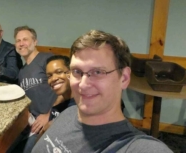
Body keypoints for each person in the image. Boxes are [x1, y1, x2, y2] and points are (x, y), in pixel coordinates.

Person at [32, 30, 173, 153]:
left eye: (98, 72)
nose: (83, 84)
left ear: (124, 78)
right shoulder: (68, 112)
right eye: (77, 71)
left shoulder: (134, 146)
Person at [8, 26, 57, 153]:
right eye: (18, 41)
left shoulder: (47, 59)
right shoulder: (22, 72)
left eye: (25, 39)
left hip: (50, 120)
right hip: (31, 123)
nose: (21, 43)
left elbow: (66, 89)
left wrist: (49, 114)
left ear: (35, 42)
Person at [38, 55, 75, 136]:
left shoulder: (78, 107)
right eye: (49, 76)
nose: (53, 78)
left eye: (59, 72)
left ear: (71, 73)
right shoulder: (61, 100)